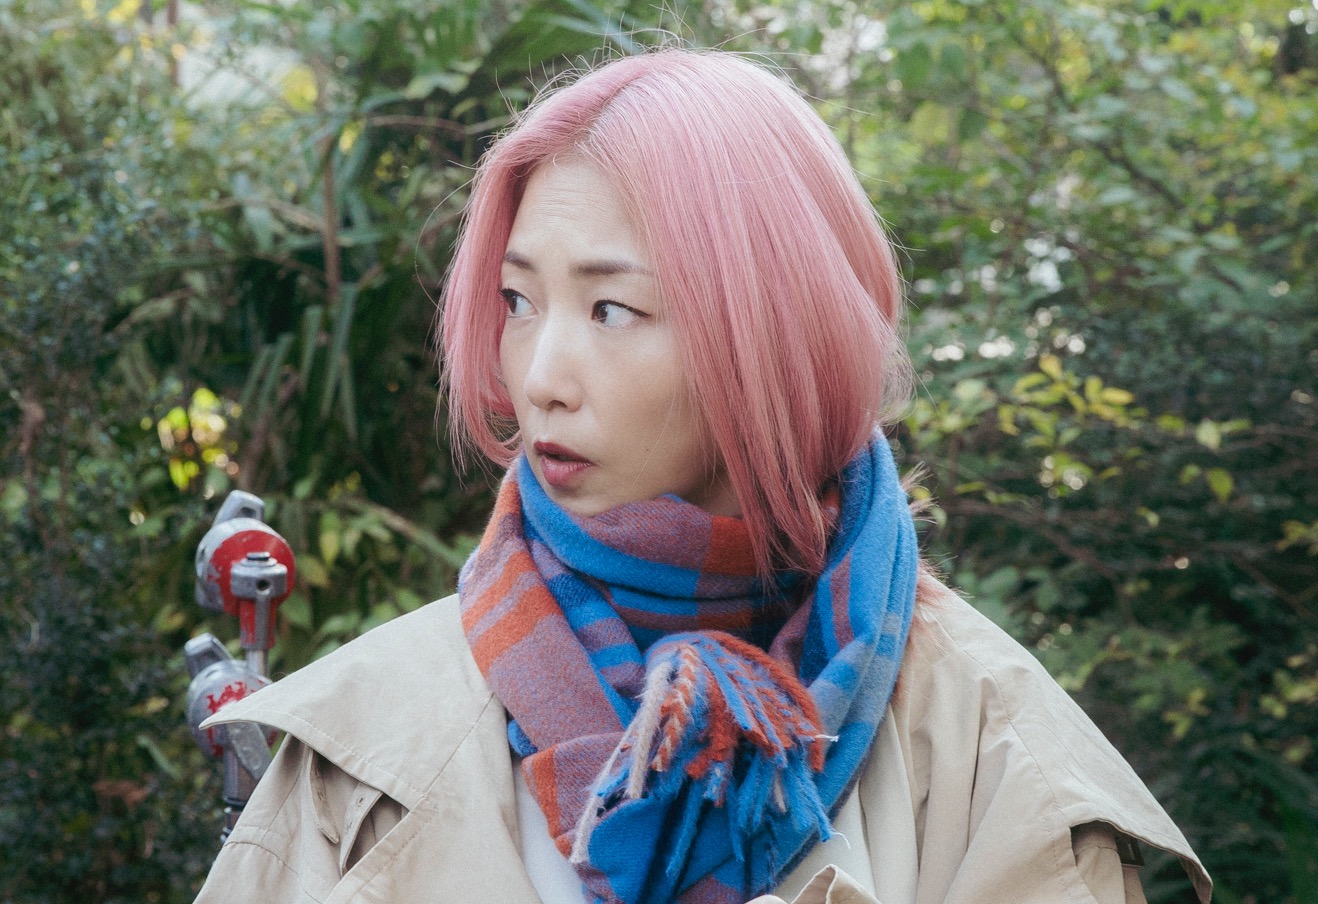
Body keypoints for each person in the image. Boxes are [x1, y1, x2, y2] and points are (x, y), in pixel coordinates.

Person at [195, 49, 1211, 904]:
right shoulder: (362, 750)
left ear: (772, 338)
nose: (539, 378)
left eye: (612, 310)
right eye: (517, 300)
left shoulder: (992, 753)